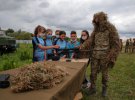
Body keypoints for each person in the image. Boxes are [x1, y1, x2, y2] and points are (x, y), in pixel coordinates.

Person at [81, 12, 120, 96]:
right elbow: (90, 40)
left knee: (104, 74)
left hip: (105, 57)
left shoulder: (110, 28)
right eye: (94, 20)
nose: (95, 21)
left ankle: (104, 89)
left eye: (97, 19)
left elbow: (116, 43)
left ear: (102, 19)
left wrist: (112, 55)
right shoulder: (96, 30)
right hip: (95, 56)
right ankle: (92, 88)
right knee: (93, 73)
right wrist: (83, 46)